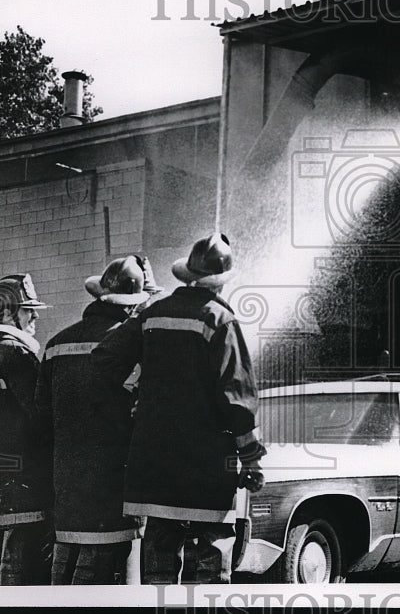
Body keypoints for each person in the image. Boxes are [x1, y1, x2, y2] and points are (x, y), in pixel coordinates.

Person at [92, 233, 265, 584]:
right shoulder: (220, 321)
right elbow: (237, 401)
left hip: (152, 462)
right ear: (220, 283)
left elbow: (104, 360)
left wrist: (136, 398)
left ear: (187, 275)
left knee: (158, 556)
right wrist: (252, 460)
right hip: (206, 467)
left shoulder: (153, 313)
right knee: (210, 558)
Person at [35, 255, 153, 585]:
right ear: (131, 305)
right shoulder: (134, 346)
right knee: (109, 586)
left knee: (64, 577)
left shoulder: (57, 344)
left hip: (67, 488)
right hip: (114, 491)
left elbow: (41, 419)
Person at [0, 273, 54, 586]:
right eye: (28, 309)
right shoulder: (18, 356)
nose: (35, 315)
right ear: (9, 312)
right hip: (25, 489)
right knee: (22, 575)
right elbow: (42, 420)